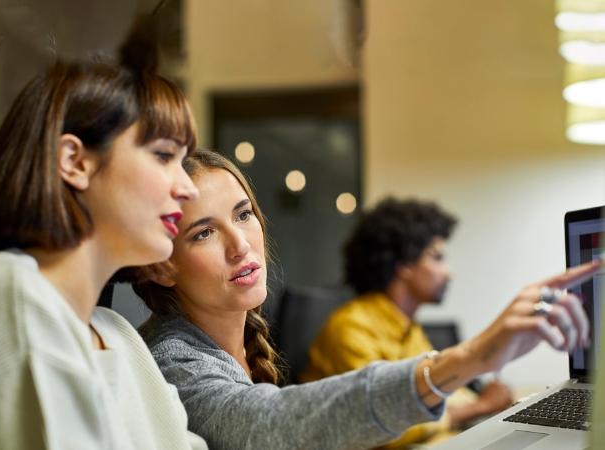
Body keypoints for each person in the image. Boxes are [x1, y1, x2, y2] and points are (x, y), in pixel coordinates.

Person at [134, 149, 598, 450]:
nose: (241, 245)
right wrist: (472, 357)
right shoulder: (171, 359)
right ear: (162, 262)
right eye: (204, 232)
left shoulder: (234, 345)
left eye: (244, 215)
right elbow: (265, 424)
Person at [0, 60, 208, 449]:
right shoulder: (12, 290)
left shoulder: (118, 335)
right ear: (75, 161)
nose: (188, 188)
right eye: (163, 155)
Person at [300, 198, 513, 448]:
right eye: (437, 258)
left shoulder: (408, 328)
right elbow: (381, 423)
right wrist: (482, 405)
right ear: (404, 265)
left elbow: (441, 392)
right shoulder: (349, 328)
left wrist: (495, 401)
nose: (448, 272)